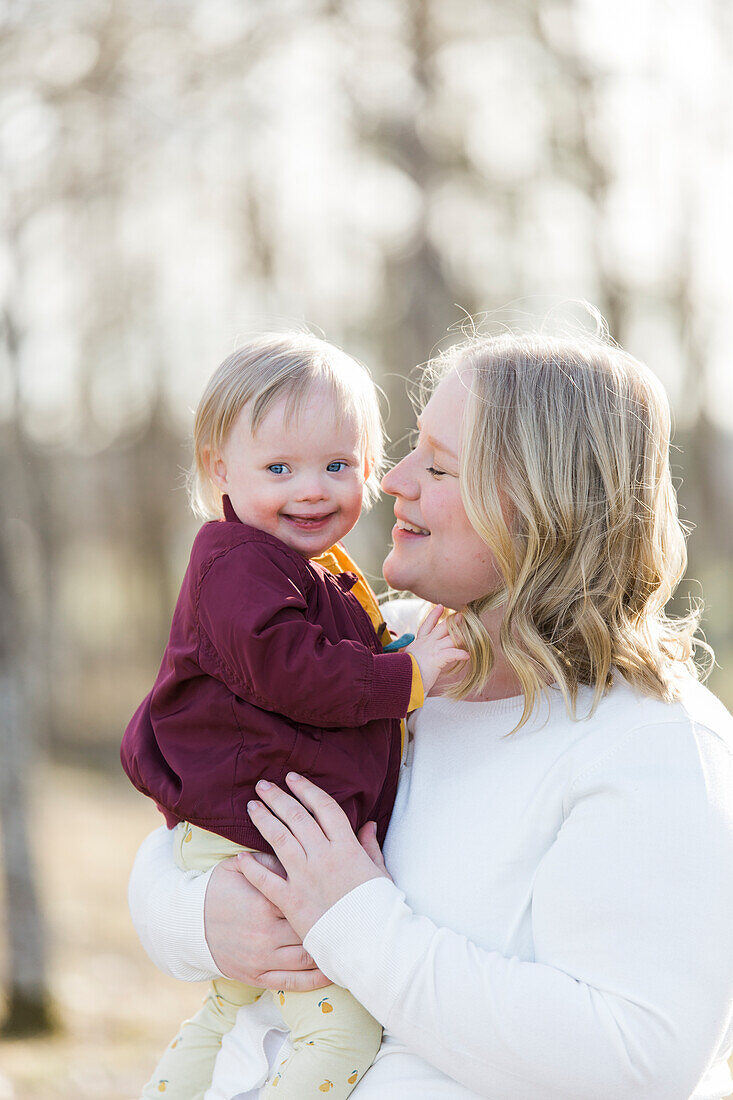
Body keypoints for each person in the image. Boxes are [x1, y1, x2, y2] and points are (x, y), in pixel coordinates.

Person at [128, 328, 733, 1099]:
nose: (394, 480)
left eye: (439, 464)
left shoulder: (653, 743)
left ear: (542, 509)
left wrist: (354, 920)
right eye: (410, 449)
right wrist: (203, 918)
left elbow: (635, 1061)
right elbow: (178, 842)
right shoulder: (386, 652)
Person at [120, 333, 467, 1100]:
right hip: (253, 831)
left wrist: (399, 649)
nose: (311, 489)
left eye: (336, 466)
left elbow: (348, 649)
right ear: (221, 471)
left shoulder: (320, 571)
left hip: (262, 830)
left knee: (228, 1010)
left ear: (370, 472)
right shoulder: (235, 565)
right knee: (339, 1028)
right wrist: (409, 676)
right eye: (279, 469)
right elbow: (294, 671)